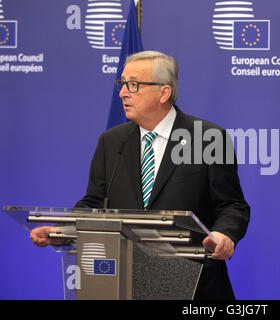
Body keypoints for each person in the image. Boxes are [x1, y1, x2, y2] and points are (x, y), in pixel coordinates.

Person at [30, 50, 250, 299]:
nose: (123, 92)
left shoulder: (207, 138)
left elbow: (232, 205)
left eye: (133, 85)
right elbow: (94, 202)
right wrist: (62, 230)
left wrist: (224, 234)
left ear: (164, 92)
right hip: (128, 282)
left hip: (196, 284)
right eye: (122, 84)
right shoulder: (112, 142)